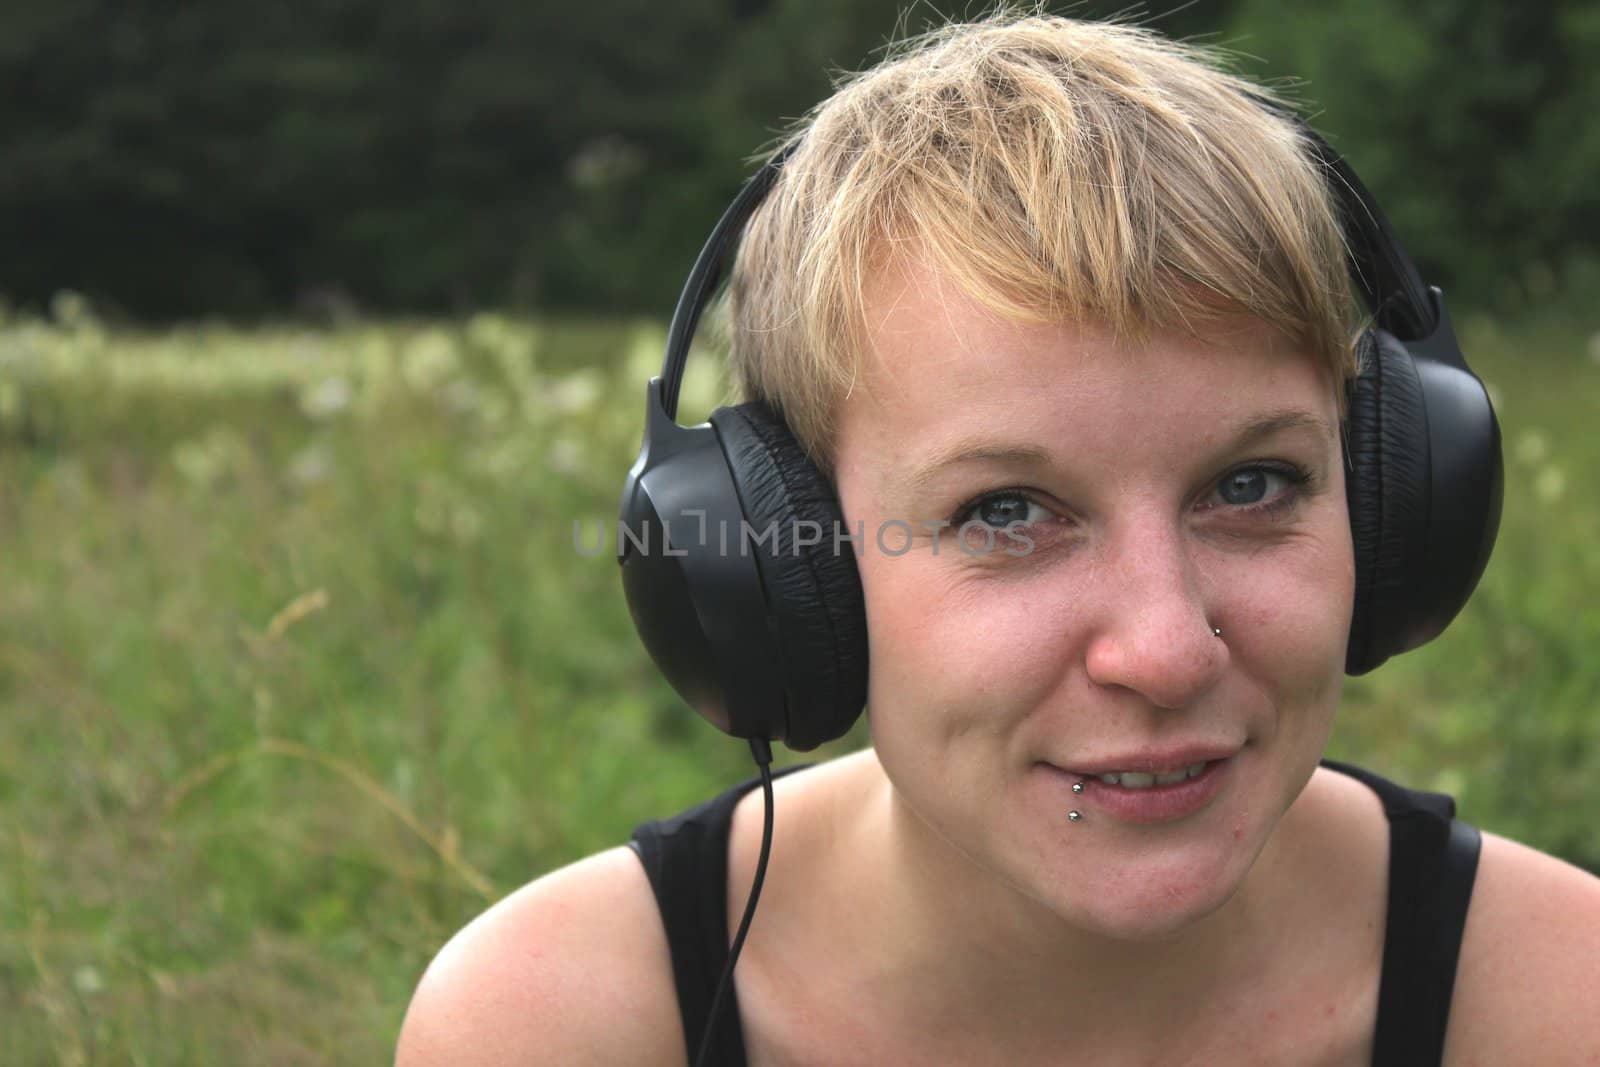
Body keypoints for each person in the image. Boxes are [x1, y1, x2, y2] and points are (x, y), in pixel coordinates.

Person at [396, 14, 1600, 1065]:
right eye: (1006, 511)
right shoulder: (565, 1025)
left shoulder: (1557, 1003)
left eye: (1253, 481)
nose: (1167, 648)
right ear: (786, 564)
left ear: (1397, 507)